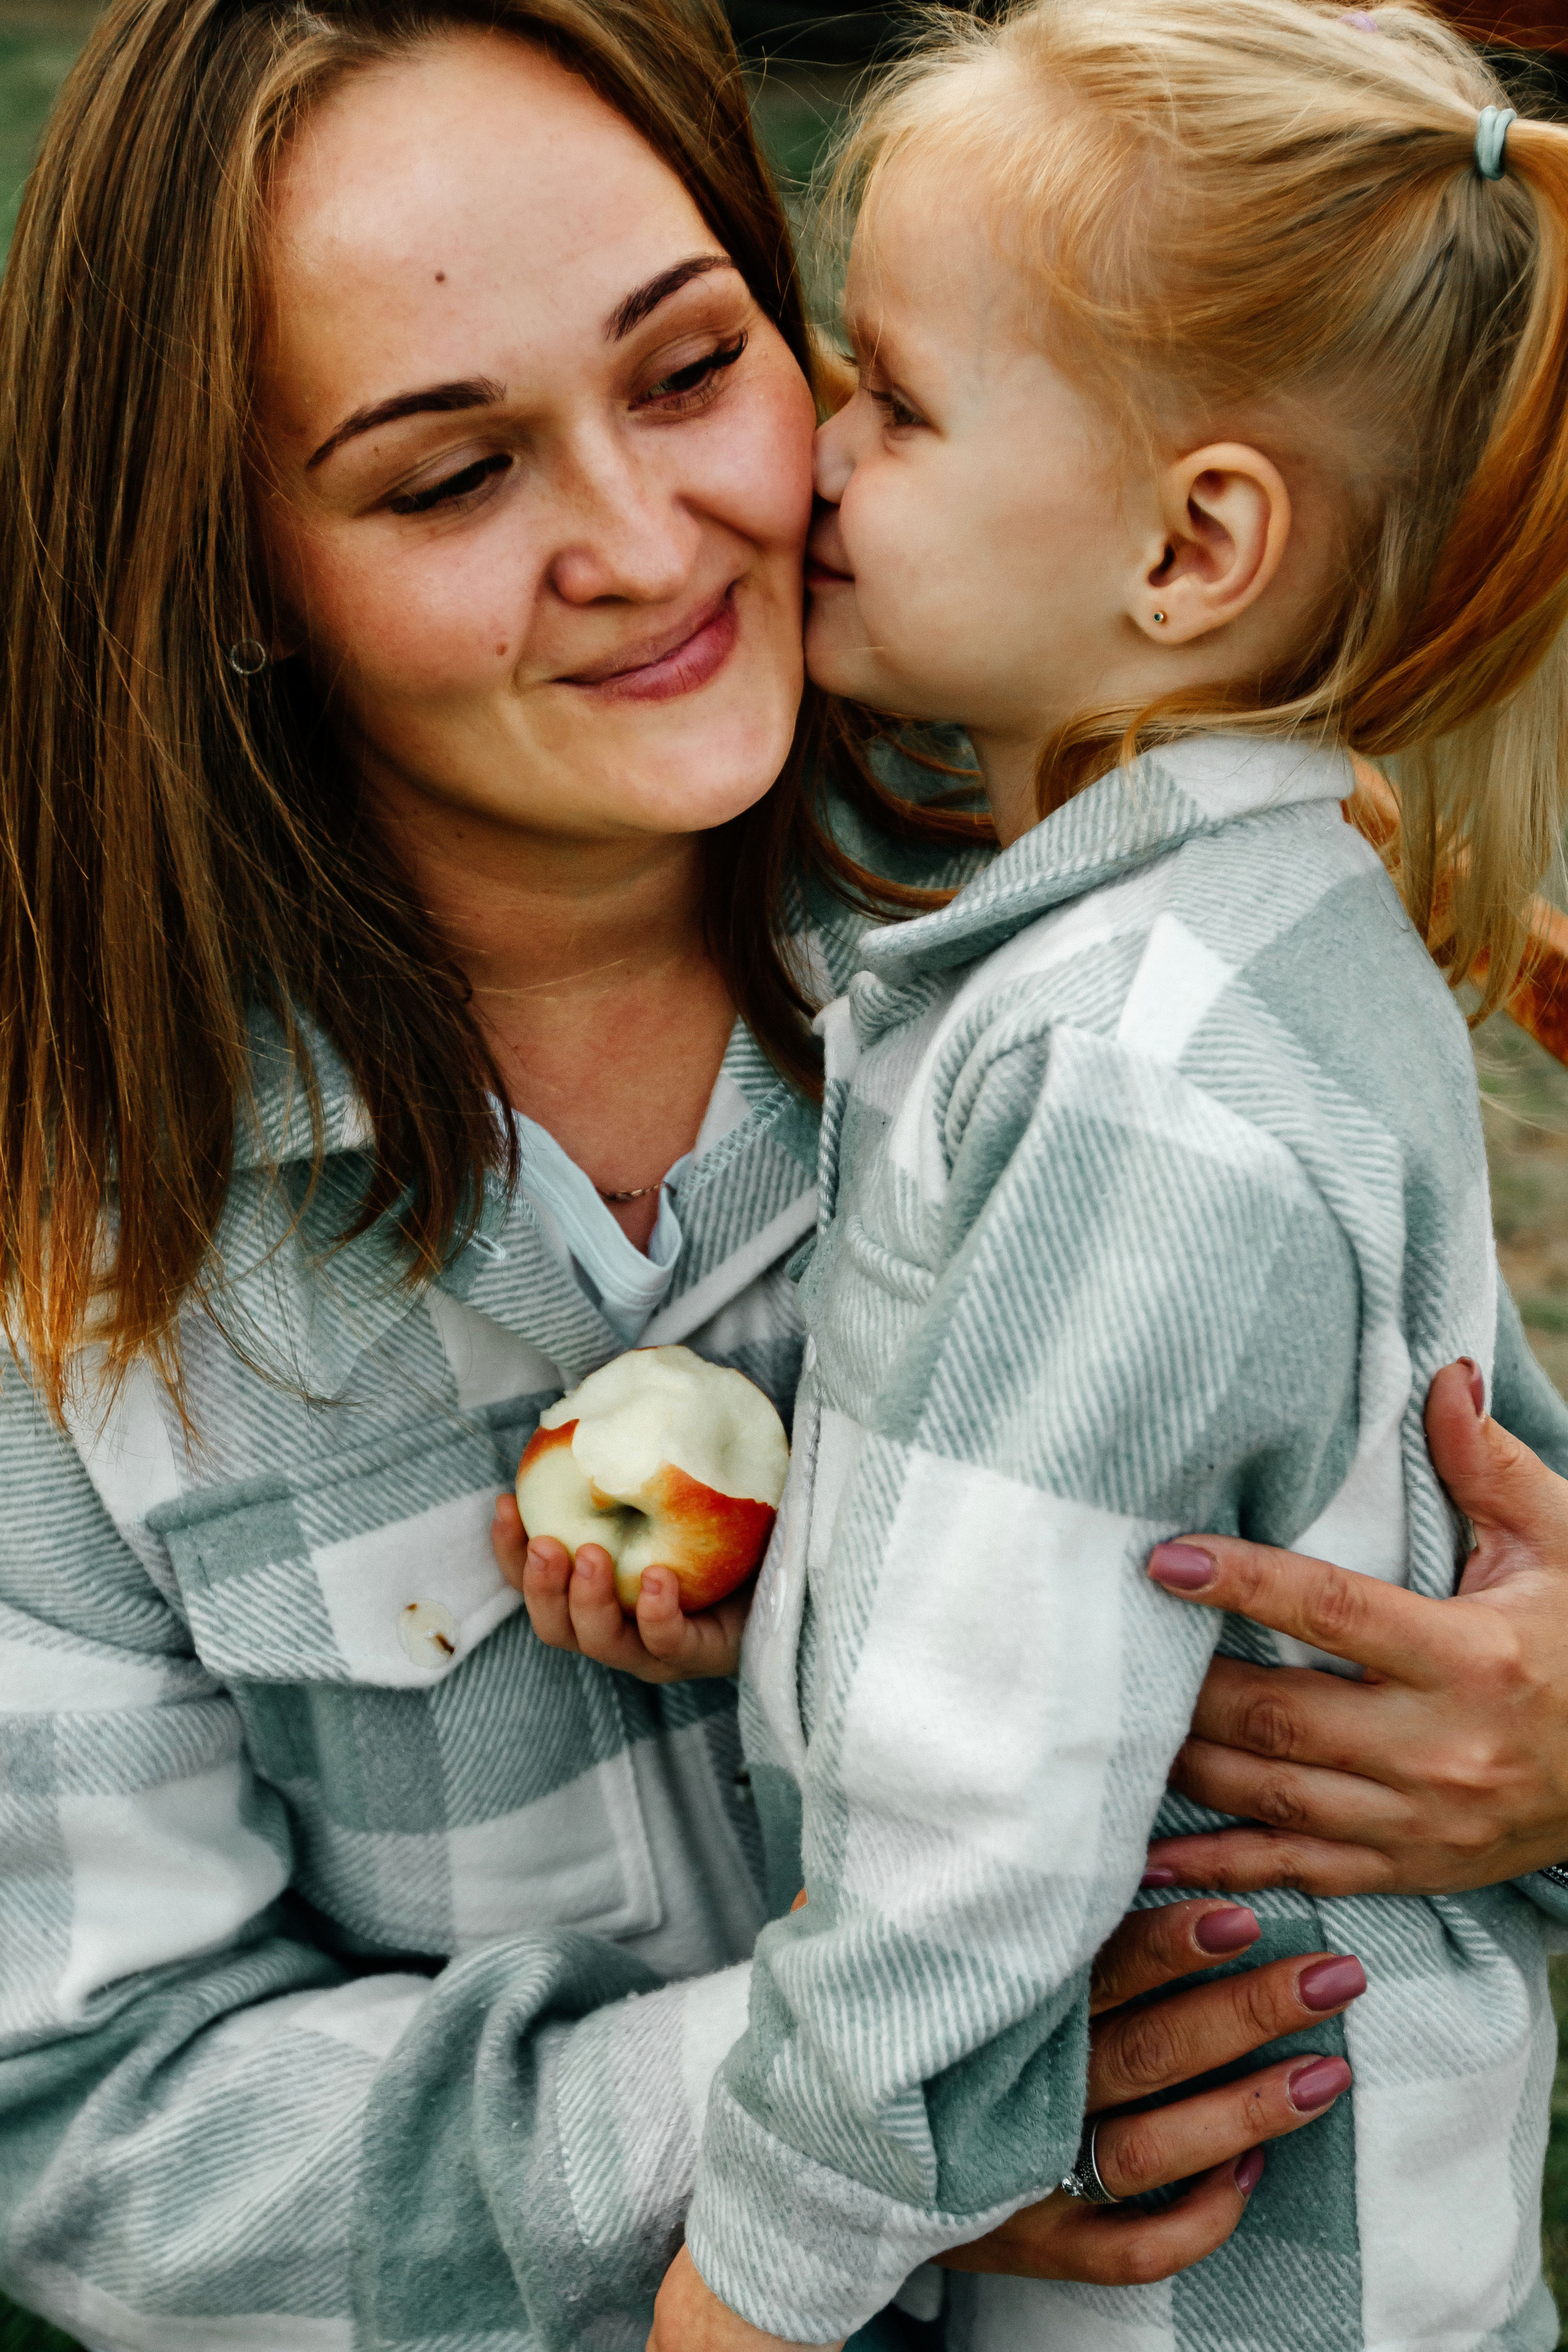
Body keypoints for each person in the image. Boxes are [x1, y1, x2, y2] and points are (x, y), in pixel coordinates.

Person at [0, 0, 1562, 2346]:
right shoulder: (87, 1242)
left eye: (691, 368)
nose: (651, 544)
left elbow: (1432, 1486)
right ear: (224, 562)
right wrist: (849, 2129)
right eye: (451, 478)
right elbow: (91, 2126)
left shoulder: (1115, 965)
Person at [610, 5, 1568, 2349]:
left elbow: (978, 1823)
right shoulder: (1282, 933)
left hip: (1209, 2283)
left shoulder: (1124, 1073)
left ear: (1192, 544)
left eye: (901, 403)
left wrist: (746, 2290)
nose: (815, 453)